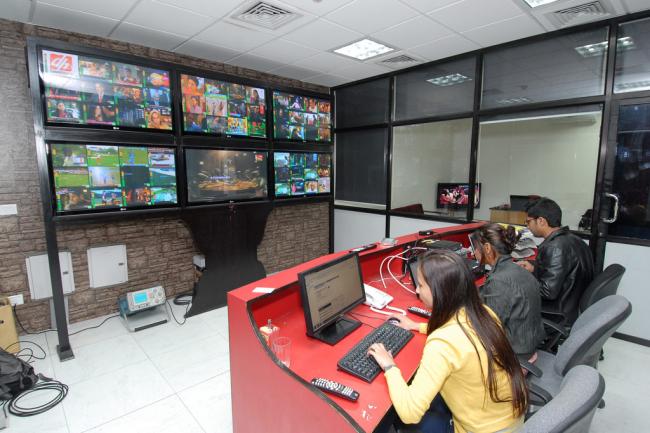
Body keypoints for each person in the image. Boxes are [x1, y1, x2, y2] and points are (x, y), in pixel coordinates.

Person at [368, 250, 527, 433]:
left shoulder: (442, 343)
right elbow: (460, 333)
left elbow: (410, 412)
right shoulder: (484, 313)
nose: (417, 290)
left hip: (480, 429)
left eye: (420, 285)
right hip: (510, 418)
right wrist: (416, 326)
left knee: (399, 417)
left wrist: (389, 366)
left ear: (439, 291)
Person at [472, 224, 546, 361]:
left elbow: (490, 327)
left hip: (514, 352)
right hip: (528, 341)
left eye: (476, 248)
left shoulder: (499, 281)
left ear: (487, 248)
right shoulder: (517, 269)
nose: (473, 253)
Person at [516, 197, 594, 323]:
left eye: (528, 221)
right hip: (572, 307)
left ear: (541, 221)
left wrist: (518, 281)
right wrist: (534, 269)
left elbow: (547, 292)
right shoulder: (574, 239)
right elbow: (564, 274)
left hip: (557, 313)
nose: (527, 226)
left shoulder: (555, 248)